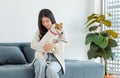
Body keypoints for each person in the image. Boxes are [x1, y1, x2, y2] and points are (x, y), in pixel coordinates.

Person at [31, 9, 68, 78]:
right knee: (39, 64)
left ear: (52, 19)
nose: (45, 24)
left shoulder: (59, 29)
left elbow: (66, 43)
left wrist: (53, 45)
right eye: (43, 22)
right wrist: (45, 46)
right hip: (41, 58)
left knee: (50, 70)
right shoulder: (39, 31)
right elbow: (33, 45)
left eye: (47, 21)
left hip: (55, 60)